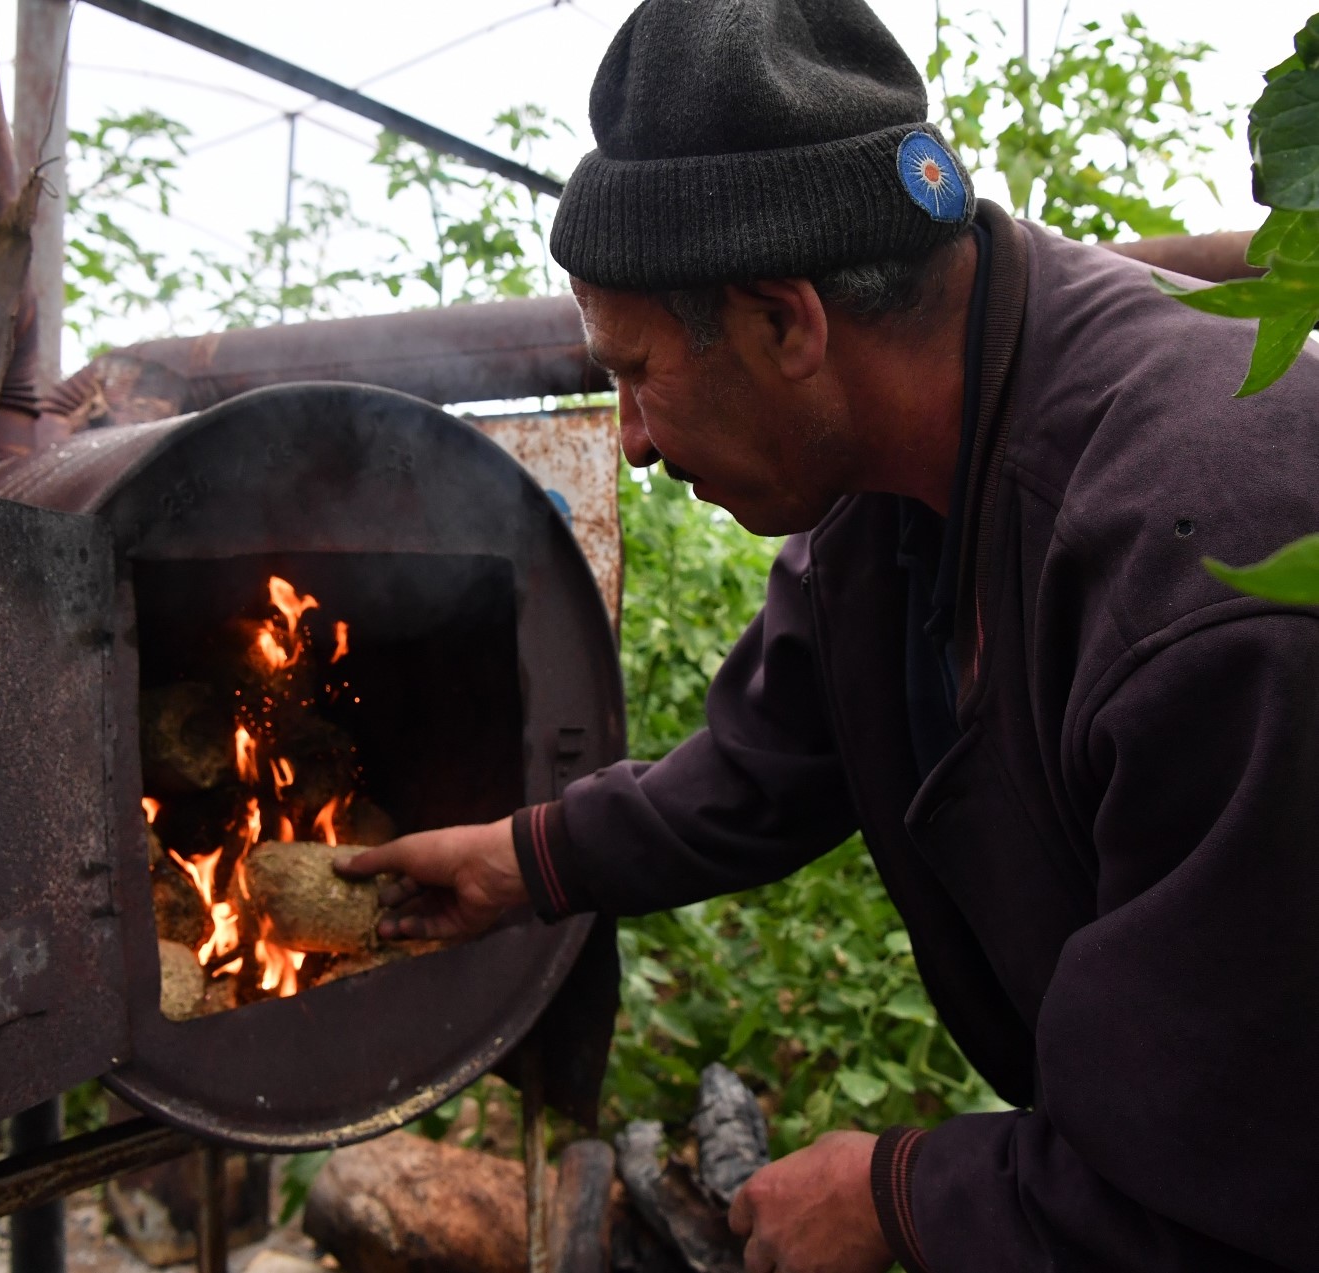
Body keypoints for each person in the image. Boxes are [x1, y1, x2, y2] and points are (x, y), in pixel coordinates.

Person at [337, 1, 1319, 1269]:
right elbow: (767, 760)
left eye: (636, 371)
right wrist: (522, 862)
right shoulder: (883, 469)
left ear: (787, 324)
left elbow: (1225, 1185)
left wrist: (899, 1195)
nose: (628, 437)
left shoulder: (1205, 582)